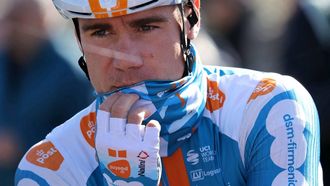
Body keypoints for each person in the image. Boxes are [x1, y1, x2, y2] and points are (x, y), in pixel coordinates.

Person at [15, 0, 323, 185]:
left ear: (191, 19)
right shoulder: (48, 167)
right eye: (101, 32)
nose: (127, 58)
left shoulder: (268, 107)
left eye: (146, 27)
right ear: (79, 41)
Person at [0, 0, 93, 185]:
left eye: (19, 20)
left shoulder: (71, 72)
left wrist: (22, 142)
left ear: (43, 23)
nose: (11, 26)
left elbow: (85, 133)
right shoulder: (4, 60)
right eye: (8, 18)